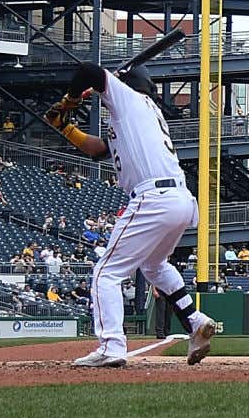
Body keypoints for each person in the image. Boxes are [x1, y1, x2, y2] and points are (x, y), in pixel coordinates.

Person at [46, 61, 221, 367]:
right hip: (178, 198)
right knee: (154, 265)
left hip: (152, 197)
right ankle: (195, 322)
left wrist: (71, 100)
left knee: (105, 273)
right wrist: (64, 126)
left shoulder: (129, 99)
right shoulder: (139, 115)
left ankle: (112, 346)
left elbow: (89, 71)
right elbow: (99, 150)